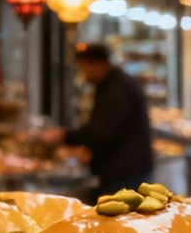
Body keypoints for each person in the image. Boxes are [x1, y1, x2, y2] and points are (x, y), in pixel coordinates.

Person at [48, 44, 153, 193]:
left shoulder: (115, 88)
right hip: (129, 170)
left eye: (83, 68)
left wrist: (65, 135)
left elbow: (101, 130)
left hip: (124, 175)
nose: (83, 75)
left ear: (95, 64)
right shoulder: (116, 83)